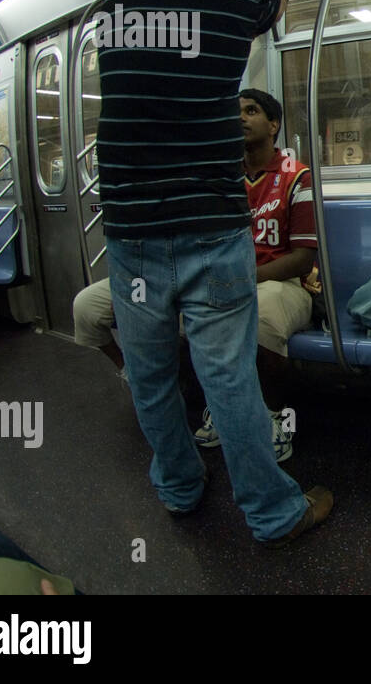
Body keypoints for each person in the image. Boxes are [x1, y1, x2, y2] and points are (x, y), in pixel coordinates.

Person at [96, 0, 330, 545]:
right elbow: (273, 3)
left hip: (132, 215)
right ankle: (272, 510)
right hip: (207, 211)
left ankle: (178, 486)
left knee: (149, 369)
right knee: (226, 370)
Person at [73, 90, 317, 461]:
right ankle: (145, 380)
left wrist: (238, 279)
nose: (240, 118)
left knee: (261, 316)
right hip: (204, 277)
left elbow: (302, 259)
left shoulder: (296, 177)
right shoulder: (212, 178)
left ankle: (273, 414)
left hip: (275, 282)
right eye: (232, 112)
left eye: (251, 111)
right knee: (88, 306)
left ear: (273, 125)